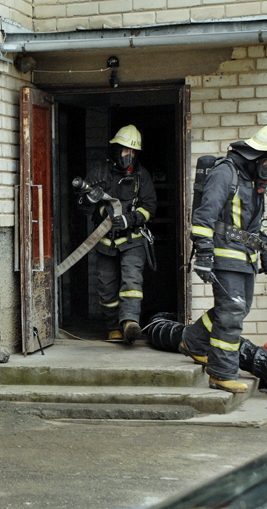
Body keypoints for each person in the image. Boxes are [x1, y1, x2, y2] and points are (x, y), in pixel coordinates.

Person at [179, 125, 267, 393]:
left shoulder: (251, 181)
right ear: (255, 157)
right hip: (224, 255)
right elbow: (204, 216)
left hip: (245, 258)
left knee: (237, 309)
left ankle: (193, 341)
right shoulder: (224, 173)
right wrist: (203, 253)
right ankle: (222, 373)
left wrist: (265, 249)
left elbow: (251, 226)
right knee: (231, 312)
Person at [77, 124, 157, 344]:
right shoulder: (98, 174)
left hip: (134, 240)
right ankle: (113, 327)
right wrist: (89, 200)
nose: (128, 156)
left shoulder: (142, 176)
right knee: (107, 287)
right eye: (125, 150)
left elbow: (150, 207)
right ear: (115, 150)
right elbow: (81, 207)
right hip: (105, 241)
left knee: (132, 282)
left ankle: (130, 322)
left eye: (132, 151)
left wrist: (130, 219)